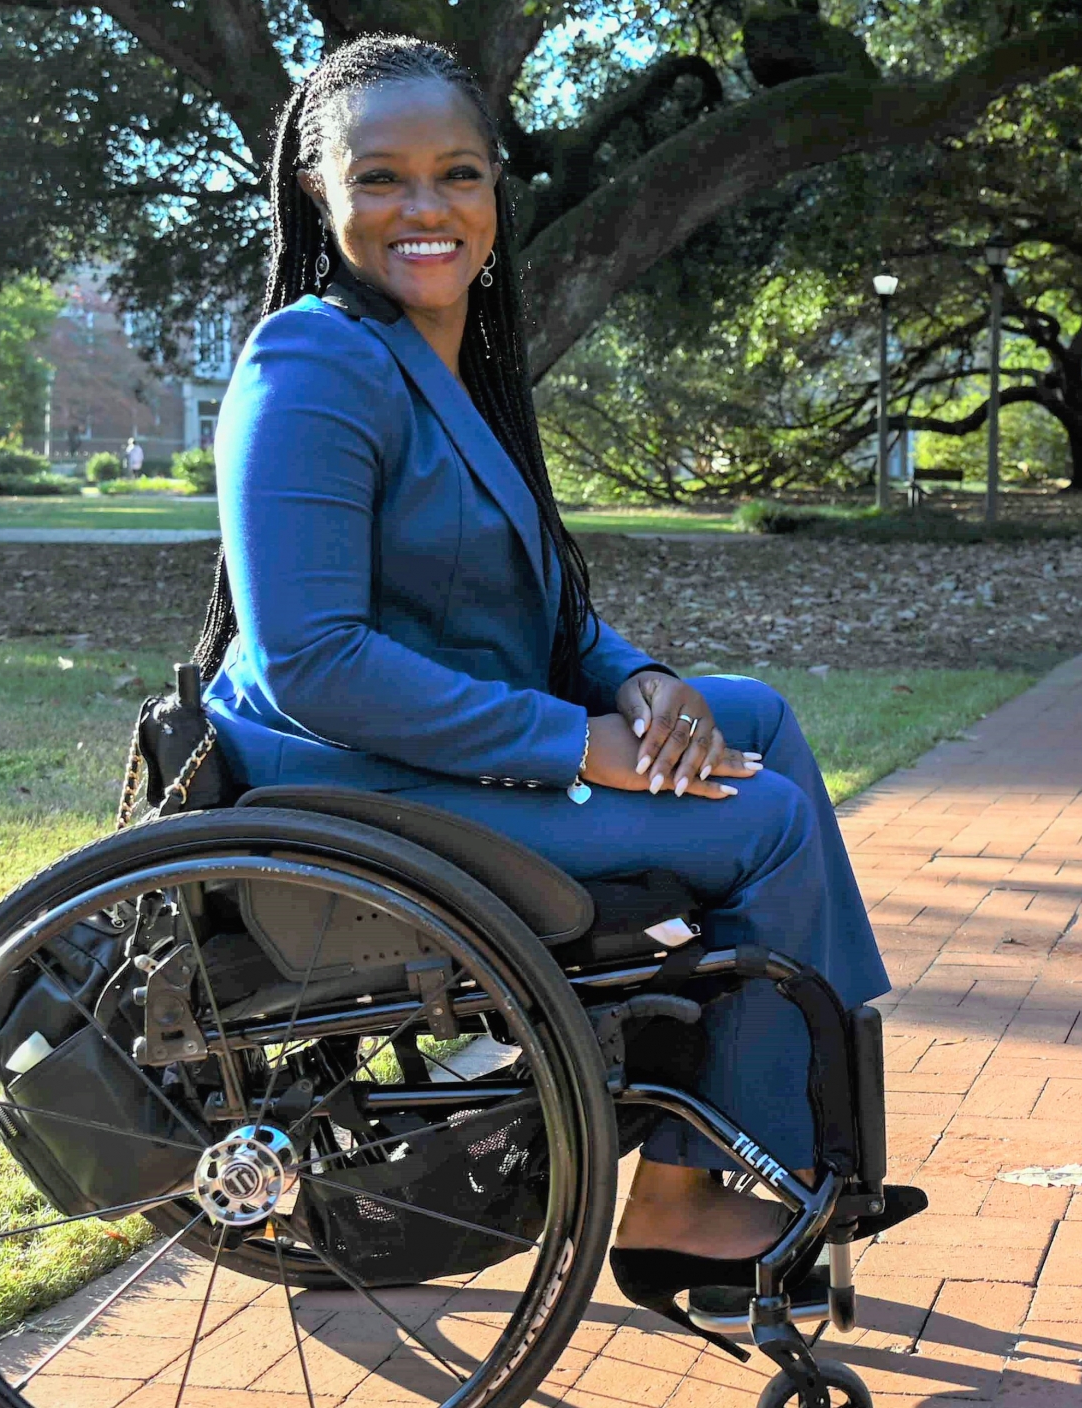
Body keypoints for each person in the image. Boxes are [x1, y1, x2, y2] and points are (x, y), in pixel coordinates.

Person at [202, 33, 911, 1316]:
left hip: (429, 739)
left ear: (494, 190)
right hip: (343, 777)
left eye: (458, 174)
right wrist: (574, 744)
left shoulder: (443, 361)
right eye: (383, 179)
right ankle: (690, 1193)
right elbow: (313, 660)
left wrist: (638, 685)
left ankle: (807, 1121)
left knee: (757, 722)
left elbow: (539, 600)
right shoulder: (310, 362)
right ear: (319, 191)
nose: (427, 208)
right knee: (761, 823)